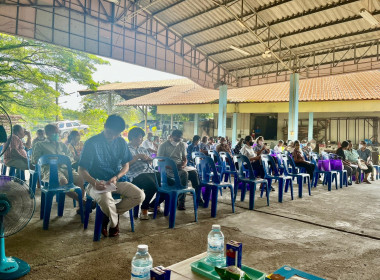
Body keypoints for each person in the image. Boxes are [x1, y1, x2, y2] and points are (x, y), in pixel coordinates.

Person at [78, 115, 145, 237]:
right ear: (105, 127)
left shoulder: (121, 142)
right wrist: (94, 182)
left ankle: (106, 215)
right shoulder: (91, 143)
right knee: (106, 199)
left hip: (115, 181)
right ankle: (114, 224)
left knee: (139, 195)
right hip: (95, 182)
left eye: (116, 134)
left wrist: (117, 177)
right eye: (110, 133)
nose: (112, 137)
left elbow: (126, 165)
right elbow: (81, 169)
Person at [32, 124, 84, 210]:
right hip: (50, 169)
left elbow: (70, 156)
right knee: (63, 181)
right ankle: (82, 202)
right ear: (47, 133)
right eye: (54, 133)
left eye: (58, 132)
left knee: (80, 179)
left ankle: (80, 206)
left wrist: (65, 159)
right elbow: (35, 160)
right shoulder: (40, 145)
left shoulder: (62, 145)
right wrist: (51, 159)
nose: (57, 134)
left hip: (65, 168)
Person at [157, 130, 203, 210]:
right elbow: (160, 161)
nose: (178, 140)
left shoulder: (181, 144)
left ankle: (198, 197)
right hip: (167, 169)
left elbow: (184, 158)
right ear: (171, 136)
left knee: (194, 173)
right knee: (184, 174)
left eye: (179, 138)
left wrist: (183, 164)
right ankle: (181, 201)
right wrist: (173, 167)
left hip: (179, 167)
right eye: (176, 138)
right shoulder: (163, 145)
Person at [127, 127, 163, 220]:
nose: (141, 139)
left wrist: (148, 159)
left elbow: (151, 161)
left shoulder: (143, 149)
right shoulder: (126, 149)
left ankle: (153, 204)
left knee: (170, 184)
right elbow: (124, 164)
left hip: (150, 171)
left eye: (142, 137)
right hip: (136, 174)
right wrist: (137, 157)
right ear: (133, 138)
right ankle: (144, 208)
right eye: (140, 137)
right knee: (152, 186)